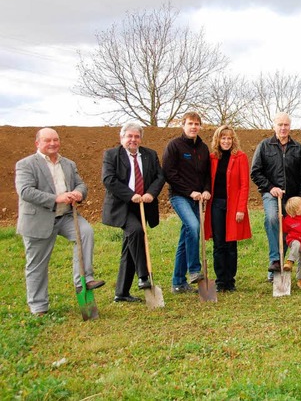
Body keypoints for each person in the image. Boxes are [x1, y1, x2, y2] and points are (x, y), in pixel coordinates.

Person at [15, 128, 105, 315]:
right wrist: (56, 198)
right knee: (37, 265)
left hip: (66, 217)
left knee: (86, 232)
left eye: (55, 140)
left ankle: (84, 279)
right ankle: (39, 306)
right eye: (47, 140)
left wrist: (79, 192)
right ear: (37, 143)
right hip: (38, 219)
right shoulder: (26, 164)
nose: (53, 144)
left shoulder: (68, 164)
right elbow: (25, 191)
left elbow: (80, 184)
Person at [102, 123, 165, 303]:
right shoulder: (112, 155)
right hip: (122, 205)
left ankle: (121, 293)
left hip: (143, 206)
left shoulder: (149, 155)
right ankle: (143, 275)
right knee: (136, 232)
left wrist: (150, 194)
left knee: (130, 247)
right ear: (122, 138)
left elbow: (160, 177)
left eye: (136, 136)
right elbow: (109, 180)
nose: (133, 140)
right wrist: (131, 196)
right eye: (129, 136)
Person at [250, 112, 301, 281]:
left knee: (287, 229)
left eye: (286, 125)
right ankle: (275, 260)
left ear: (290, 127)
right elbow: (255, 172)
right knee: (272, 219)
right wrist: (270, 187)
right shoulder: (264, 146)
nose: (283, 128)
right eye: (280, 124)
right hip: (271, 194)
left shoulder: (298, 149)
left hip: (292, 197)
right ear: (274, 126)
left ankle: (280, 267)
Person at [162, 112, 211, 293]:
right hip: (180, 196)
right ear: (183, 125)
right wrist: (189, 192)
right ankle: (194, 270)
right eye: (190, 123)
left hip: (198, 198)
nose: (193, 127)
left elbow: (207, 174)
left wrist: (206, 190)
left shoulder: (203, 148)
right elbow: (169, 173)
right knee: (194, 226)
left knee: (186, 238)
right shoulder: (174, 146)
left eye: (197, 124)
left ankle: (177, 282)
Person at [203, 125, 252, 292]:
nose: (226, 141)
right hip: (216, 205)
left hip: (233, 206)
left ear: (233, 140)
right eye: (223, 138)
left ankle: (230, 281)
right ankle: (220, 281)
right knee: (218, 244)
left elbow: (244, 185)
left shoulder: (240, 157)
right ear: (218, 140)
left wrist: (241, 209)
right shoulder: (212, 158)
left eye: (229, 138)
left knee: (231, 244)